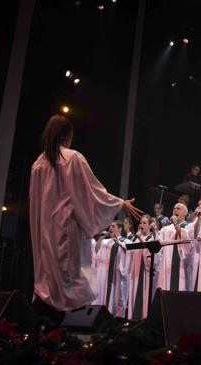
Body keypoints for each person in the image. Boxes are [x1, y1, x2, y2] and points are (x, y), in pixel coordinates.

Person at [29, 114, 142, 323]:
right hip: (66, 228)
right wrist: (120, 204)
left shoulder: (38, 163)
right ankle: (66, 332)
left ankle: (41, 330)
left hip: (44, 230)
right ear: (68, 135)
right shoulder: (72, 158)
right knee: (69, 281)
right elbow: (91, 192)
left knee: (48, 280)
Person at [92, 220, 128, 316]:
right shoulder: (105, 241)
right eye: (110, 226)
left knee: (115, 297)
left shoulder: (125, 241)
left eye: (113, 226)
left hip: (115, 274)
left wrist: (119, 242)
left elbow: (128, 252)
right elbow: (97, 249)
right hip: (103, 273)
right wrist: (101, 237)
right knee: (101, 295)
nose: (110, 228)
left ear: (120, 229)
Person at [158, 203, 194, 291]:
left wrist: (176, 224)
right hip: (166, 265)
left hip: (180, 265)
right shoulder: (165, 229)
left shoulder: (189, 226)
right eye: (174, 208)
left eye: (178, 208)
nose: (175, 210)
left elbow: (188, 245)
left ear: (185, 214)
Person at [127, 214, 157, 320]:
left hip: (144, 272)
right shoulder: (136, 239)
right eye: (140, 223)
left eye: (144, 223)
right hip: (135, 271)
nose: (141, 225)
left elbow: (150, 256)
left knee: (143, 297)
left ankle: (142, 319)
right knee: (133, 295)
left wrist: (140, 238)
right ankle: (132, 318)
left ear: (149, 226)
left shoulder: (151, 238)